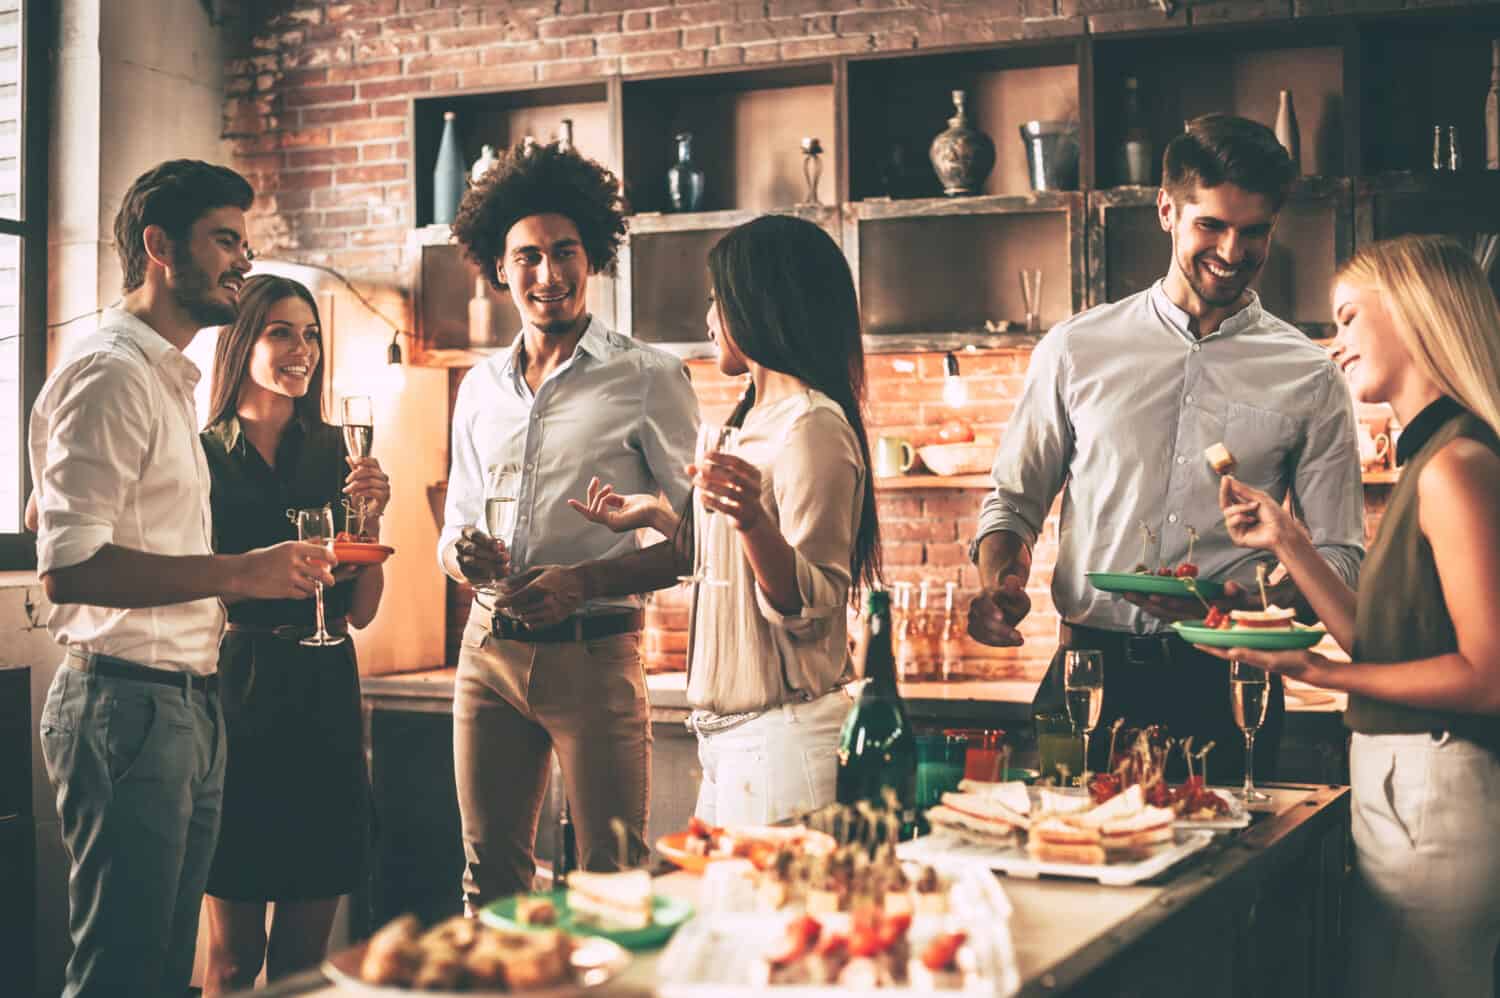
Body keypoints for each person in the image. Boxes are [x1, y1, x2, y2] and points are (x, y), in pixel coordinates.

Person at [967, 114, 1366, 780]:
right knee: (1068, 872)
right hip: (1087, 675)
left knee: (1235, 876)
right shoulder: (1075, 348)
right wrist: (996, 582)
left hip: (1232, 684)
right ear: (1167, 211)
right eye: (1211, 225)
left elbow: (1338, 555)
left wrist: (1248, 602)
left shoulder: (1311, 373)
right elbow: (1013, 501)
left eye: (1254, 231)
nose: (1233, 252)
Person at [30, 160, 337, 998]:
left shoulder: (163, 377)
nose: (243, 260)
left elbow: (54, 514)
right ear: (160, 246)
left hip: (187, 703)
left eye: (245, 241)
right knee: (121, 976)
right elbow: (67, 567)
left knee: (169, 977)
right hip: (126, 704)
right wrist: (242, 571)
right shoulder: (114, 372)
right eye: (226, 240)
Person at [1197, 234, 1500, 997]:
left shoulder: (1457, 466)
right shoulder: (1432, 459)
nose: (1335, 348)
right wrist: (1290, 540)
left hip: (1439, 784)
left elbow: (1489, 676)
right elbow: (1382, 641)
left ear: (1415, 313)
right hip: (1412, 781)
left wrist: (1317, 671)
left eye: (1348, 319)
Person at [439, 141, 698, 906]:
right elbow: (454, 525)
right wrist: (467, 556)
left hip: (596, 659)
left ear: (593, 257)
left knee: (611, 886)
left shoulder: (650, 377)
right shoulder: (479, 387)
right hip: (486, 658)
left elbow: (698, 542)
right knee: (490, 883)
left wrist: (583, 581)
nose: (546, 275)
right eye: (526, 257)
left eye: (564, 253)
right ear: (497, 266)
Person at [570, 214, 881, 825]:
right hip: (732, 745)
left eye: (717, 299)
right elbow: (730, 566)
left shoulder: (811, 426)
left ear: (759, 304)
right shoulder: (748, 422)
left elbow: (812, 603)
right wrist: (658, 514)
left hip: (783, 743)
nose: (709, 319)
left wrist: (753, 521)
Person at [198, 275, 391, 991]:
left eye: (310, 334)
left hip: (324, 698)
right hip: (237, 698)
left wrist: (373, 522)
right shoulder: (202, 454)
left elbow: (364, 608)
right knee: (231, 959)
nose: (301, 349)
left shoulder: (342, 451)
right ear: (243, 338)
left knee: (303, 968)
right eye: (281, 331)